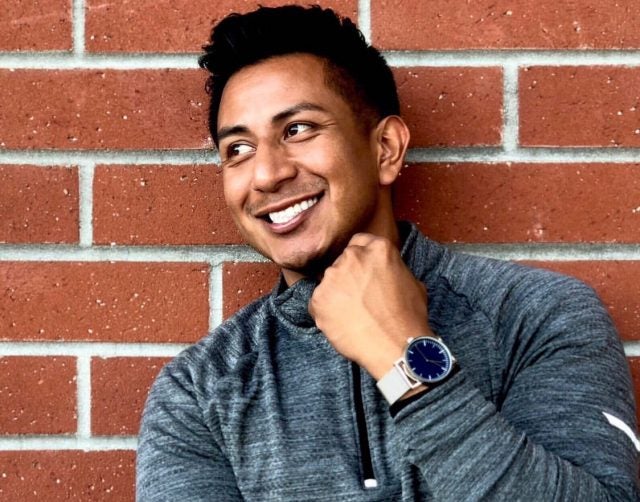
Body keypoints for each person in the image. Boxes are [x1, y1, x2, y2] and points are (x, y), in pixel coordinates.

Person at [136, 5, 639, 500]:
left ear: (386, 149)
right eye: (238, 150)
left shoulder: (537, 317)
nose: (266, 174)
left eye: (298, 129)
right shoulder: (198, 391)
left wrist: (404, 358)